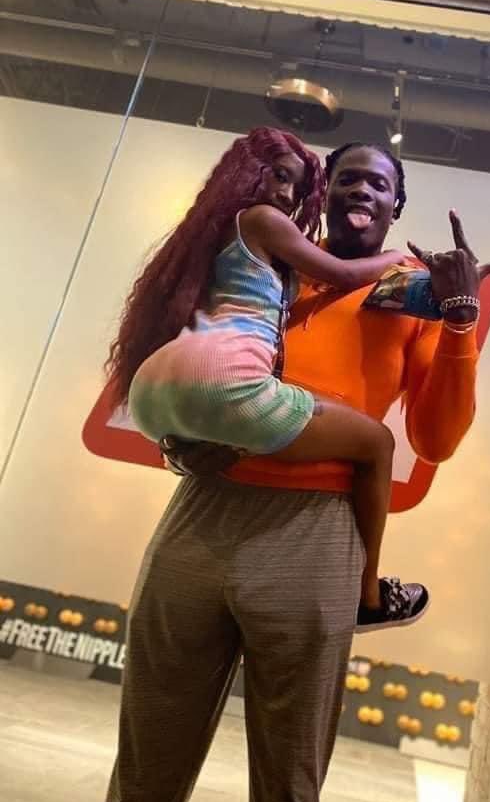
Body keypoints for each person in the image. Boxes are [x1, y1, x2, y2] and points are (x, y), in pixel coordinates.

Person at [99, 140, 490, 802]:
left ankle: (366, 593)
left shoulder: (413, 294)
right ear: (324, 192)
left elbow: (435, 438)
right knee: (144, 771)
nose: (363, 192)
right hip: (203, 512)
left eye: (379, 184)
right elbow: (195, 370)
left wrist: (460, 322)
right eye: (348, 178)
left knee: (289, 795)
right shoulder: (269, 265)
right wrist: (177, 443)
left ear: (396, 205)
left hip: (316, 533)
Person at [107, 127, 426, 630]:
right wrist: (398, 261)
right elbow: (343, 276)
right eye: (277, 176)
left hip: (155, 388)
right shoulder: (268, 226)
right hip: (226, 396)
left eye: (296, 187)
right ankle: (368, 598)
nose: (285, 194)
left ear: (396, 205)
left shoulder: (224, 238)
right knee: (377, 443)